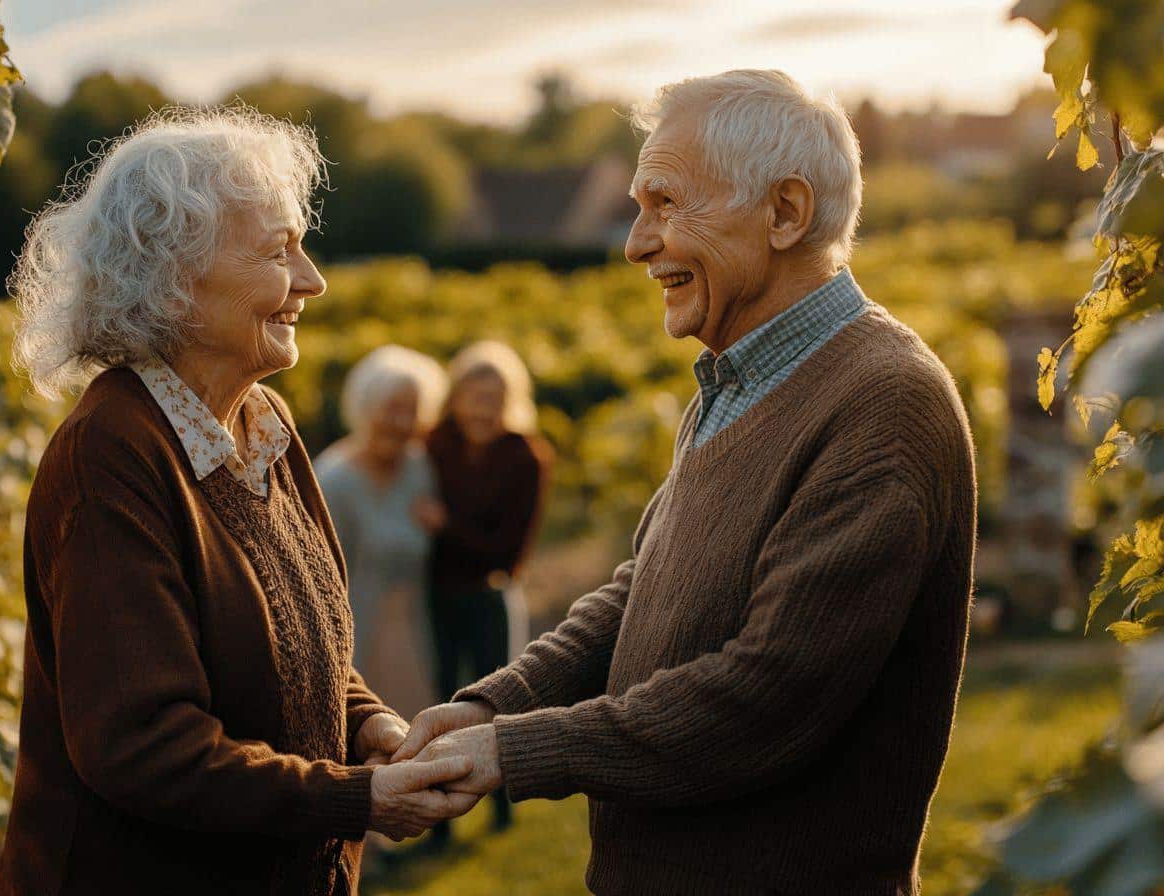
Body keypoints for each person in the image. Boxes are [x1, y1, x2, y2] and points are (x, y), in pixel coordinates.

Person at [395, 70, 976, 896]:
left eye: (666, 205)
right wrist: (497, 705)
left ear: (785, 213)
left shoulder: (884, 402)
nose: (636, 243)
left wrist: (516, 751)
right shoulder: (735, 378)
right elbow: (647, 590)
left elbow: (767, 698)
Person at [0, 107, 474, 896]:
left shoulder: (262, 422)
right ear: (173, 272)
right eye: (277, 251)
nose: (312, 281)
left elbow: (301, 644)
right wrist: (353, 797)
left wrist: (369, 729)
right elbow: (141, 745)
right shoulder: (111, 453)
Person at [423, 341, 553, 841]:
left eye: (495, 396)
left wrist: (446, 527)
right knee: (436, 700)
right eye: (474, 394)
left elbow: (508, 555)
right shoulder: (434, 444)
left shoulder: (527, 456)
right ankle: (436, 816)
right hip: (433, 594)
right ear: (455, 397)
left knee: (494, 703)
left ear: (512, 399)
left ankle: (501, 807)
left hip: (489, 597)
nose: (483, 406)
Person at [315, 345, 448, 722]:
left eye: (412, 410)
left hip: (417, 635)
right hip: (357, 640)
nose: (402, 421)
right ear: (365, 407)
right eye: (393, 408)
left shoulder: (420, 469)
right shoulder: (334, 479)